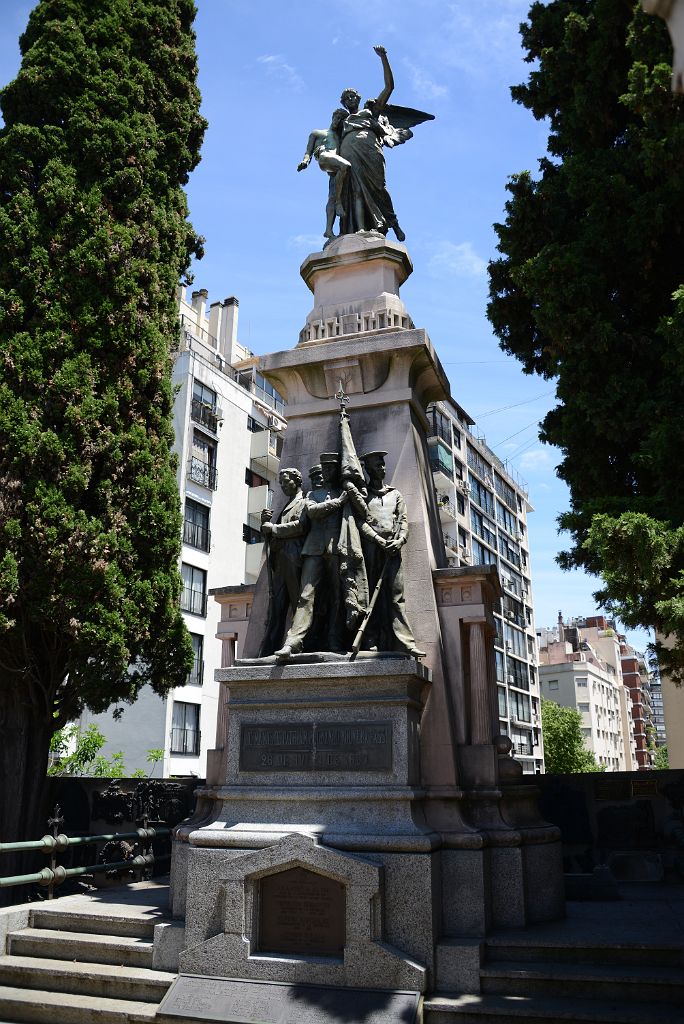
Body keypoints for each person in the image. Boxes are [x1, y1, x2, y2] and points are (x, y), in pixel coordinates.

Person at [346, 451, 424, 656]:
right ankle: (369, 640)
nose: (382, 468)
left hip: (393, 550)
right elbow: (360, 522)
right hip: (371, 549)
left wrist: (400, 540)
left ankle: (406, 642)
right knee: (370, 595)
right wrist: (378, 540)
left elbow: (404, 520)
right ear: (368, 469)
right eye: (377, 465)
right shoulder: (364, 496)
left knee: (396, 596)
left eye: (382, 464)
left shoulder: (395, 494)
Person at [275, 453, 348, 658]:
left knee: (336, 596)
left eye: (330, 469)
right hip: (313, 549)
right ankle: (293, 641)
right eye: (324, 470)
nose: (326, 474)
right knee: (305, 596)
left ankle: (335, 639)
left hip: (336, 550)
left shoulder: (344, 492)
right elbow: (313, 512)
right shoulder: (312, 496)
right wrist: (339, 502)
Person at [337, 46, 407, 240]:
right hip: (348, 155)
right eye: (346, 98)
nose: (350, 99)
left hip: (370, 150)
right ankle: (361, 227)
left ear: (358, 98)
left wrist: (384, 58)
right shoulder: (340, 121)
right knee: (355, 191)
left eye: (352, 96)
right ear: (343, 103)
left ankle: (394, 223)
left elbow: (389, 87)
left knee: (379, 187)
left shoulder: (370, 112)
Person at [259, 468, 308, 656]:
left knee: (299, 606)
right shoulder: (286, 506)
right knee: (277, 607)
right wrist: (265, 526)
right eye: (281, 483)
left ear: (297, 481)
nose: (283, 486)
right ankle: (269, 648)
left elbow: (301, 526)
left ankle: (300, 644)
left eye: (286, 482)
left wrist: (274, 528)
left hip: (294, 560)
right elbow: (273, 537)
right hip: (280, 562)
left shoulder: (304, 502)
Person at [297, 109, 351, 240]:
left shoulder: (340, 137)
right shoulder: (317, 132)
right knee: (346, 166)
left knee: (331, 196)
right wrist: (305, 161)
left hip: (334, 169)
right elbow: (308, 151)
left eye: (341, 120)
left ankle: (328, 231)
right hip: (325, 157)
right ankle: (339, 203)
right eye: (337, 118)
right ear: (333, 117)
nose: (337, 122)